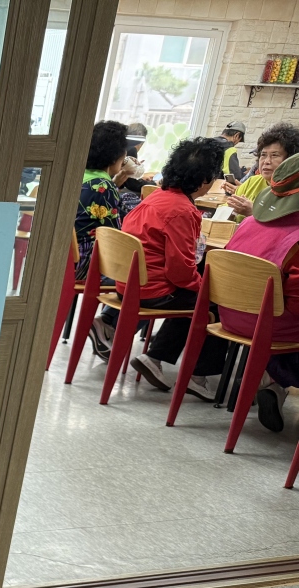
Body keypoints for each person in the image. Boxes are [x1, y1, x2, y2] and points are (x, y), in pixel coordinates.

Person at [114, 137, 229, 399]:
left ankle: (155, 357)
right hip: (151, 291)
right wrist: (206, 289)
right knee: (219, 303)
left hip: (128, 284)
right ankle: (198, 377)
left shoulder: (156, 197)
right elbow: (180, 273)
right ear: (206, 180)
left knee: (195, 296)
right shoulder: (183, 210)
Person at [221, 153, 299, 431]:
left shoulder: (247, 223)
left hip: (230, 317)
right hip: (272, 326)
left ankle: (273, 381)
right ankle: (274, 376)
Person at [75, 121, 140, 357]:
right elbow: (116, 237)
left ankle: (105, 324)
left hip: (66, 256)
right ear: (116, 156)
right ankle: (110, 327)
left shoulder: (79, 175)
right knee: (145, 279)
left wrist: (118, 179)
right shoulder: (103, 186)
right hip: (85, 266)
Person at [223, 123, 299, 218]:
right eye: (263, 155)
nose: (266, 161)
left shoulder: (294, 192)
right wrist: (231, 212)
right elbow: (225, 210)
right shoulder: (252, 182)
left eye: (274, 155)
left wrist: (253, 212)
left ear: (291, 159)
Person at [121, 122, 153, 197]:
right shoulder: (132, 149)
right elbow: (132, 184)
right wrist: (153, 184)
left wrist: (138, 176)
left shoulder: (124, 146)